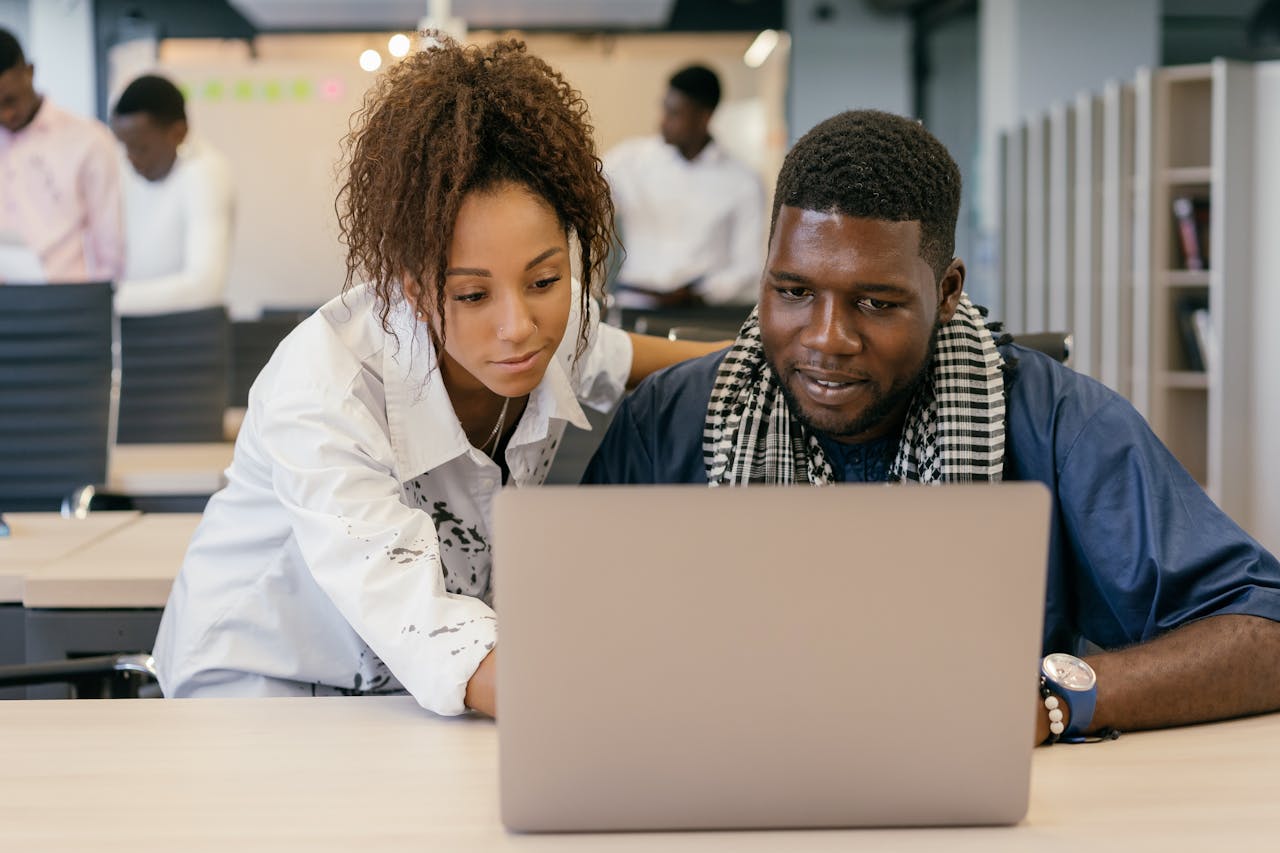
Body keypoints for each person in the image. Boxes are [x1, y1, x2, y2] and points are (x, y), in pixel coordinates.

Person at [583, 109, 1280, 744]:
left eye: (876, 302)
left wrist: (1048, 701)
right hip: (723, 775)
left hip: (968, 785)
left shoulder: (1060, 424)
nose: (826, 339)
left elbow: (1263, 631)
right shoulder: (668, 420)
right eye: (793, 290)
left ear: (946, 291)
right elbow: (573, 644)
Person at [152, 37, 721, 716]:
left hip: (406, 697)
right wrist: (678, 701)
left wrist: (791, 346)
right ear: (415, 289)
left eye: (544, 278)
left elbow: (654, 360)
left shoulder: (553, 328)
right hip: (255, 695)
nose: (519, 326)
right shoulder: (326, 389)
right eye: (473, 295)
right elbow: (420, 621)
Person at [605, 64, 764, 309]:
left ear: (704, 116)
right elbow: (586, 193)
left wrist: (698, 293)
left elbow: (749, 266)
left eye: (675, 113)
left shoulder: (743, 182)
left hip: (701, 312)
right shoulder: (629, 161)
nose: (664, 121)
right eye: (665, 109)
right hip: (633, 304)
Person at [0, 27, 123, 284]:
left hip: (64, 304)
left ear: (30, 72)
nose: (5, 115)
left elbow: (110, 249)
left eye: (10, 101)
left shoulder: (89, 140)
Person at [110, 74, 234, 317]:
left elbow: (205, 285)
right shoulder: (127, 169)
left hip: (184, 335)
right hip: (133, 327)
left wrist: (110, 300)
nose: (131, 158)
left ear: (178, 133)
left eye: (141, 148)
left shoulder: (205, 172)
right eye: (124, 146)